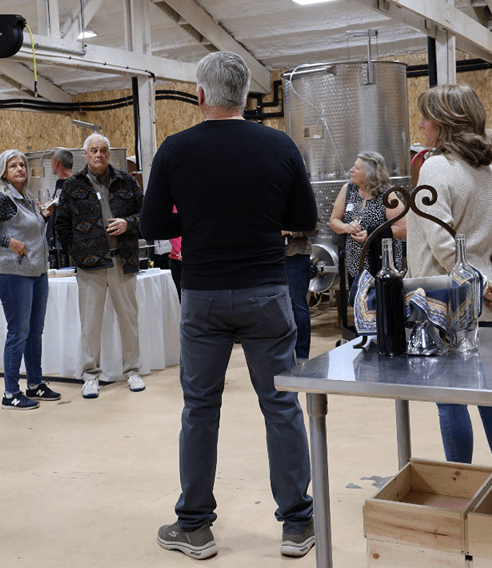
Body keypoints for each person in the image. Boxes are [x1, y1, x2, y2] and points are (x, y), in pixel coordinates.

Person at [142, 51, 318, 560]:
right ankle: (297, 524)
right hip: (267, 292)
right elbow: (304, 218)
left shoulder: (175, 149)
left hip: (204, 296)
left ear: (201, 96)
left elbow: (152, 226)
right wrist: (258, 217)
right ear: (244, 95)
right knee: (280, 404)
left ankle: (195, 526)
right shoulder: (279, 145)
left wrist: (198, 220)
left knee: (200, 409)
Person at [407, 83, 492, 468]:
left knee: (451, 400)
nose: (421, 125)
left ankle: (460, 482)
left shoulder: (435, 168)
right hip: (484, 306)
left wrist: (479, 285)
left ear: (444, 122)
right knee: (489, 394)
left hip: (444, 305)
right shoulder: (488, 173)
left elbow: (442, 244)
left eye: (426, 117)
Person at [55, 134, 146, 398]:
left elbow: (146, 214)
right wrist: (79, 253)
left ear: (109, 154)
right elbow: (61, 225)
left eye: (103, 150)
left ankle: (132, 371)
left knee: (129, 320)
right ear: (85, 154)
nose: (99, 155)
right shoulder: (72, 186)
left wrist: (129, 223)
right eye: (94, 150)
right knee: (90, 323)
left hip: (122, 260)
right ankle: (90, 375)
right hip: (90, 266)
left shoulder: (127, 181)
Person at [0, 150, 61, 410]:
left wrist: (44, 217)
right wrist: (7, 241)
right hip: (14, 274)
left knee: (34, 332)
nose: (20, 169)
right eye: (13, 166)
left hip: (37, 272)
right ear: (3, 172)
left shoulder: (27, 199)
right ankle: (10, 392)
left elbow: (30, 232)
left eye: (22, 165)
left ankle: (35, 384)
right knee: (18, 332)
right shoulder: (2, 198)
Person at [329, 151, 406, 282]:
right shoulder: (348, 189)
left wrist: (371, 235)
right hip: (355, 265)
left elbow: (403, 228)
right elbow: (334, 220)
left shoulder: (387, 195)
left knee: (382, 295)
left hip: (383, 266)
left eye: (357, 168)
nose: (351, 170)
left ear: (370, 173)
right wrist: (346, 227)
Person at [283, 218, 319, 363]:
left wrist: (289, 232)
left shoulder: (301, 201)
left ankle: (302, 356)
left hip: (295, 255)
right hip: (269, 255)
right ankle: (281, 355)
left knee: (298, 304)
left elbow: (314, 226)